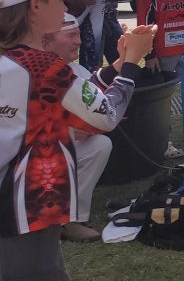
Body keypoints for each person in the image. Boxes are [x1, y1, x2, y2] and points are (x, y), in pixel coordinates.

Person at [0, 0, 155, 280]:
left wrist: (120, 63)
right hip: (24, 206)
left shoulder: (16, 61)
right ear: (35, 5)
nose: (67, 4)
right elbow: (106, 116)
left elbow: (74, 95)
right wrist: (131, 63)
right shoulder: (44, 69)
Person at [39, 14, 107, 242]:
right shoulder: (21, 70)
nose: (78, 42)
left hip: (59, 147)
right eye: (71, 36)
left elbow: (101, 114)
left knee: (99, 145)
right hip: (23, 154)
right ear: (46, 41)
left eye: (78, 34)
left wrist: (89, 128)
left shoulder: (78, 72)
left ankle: (70, 220)